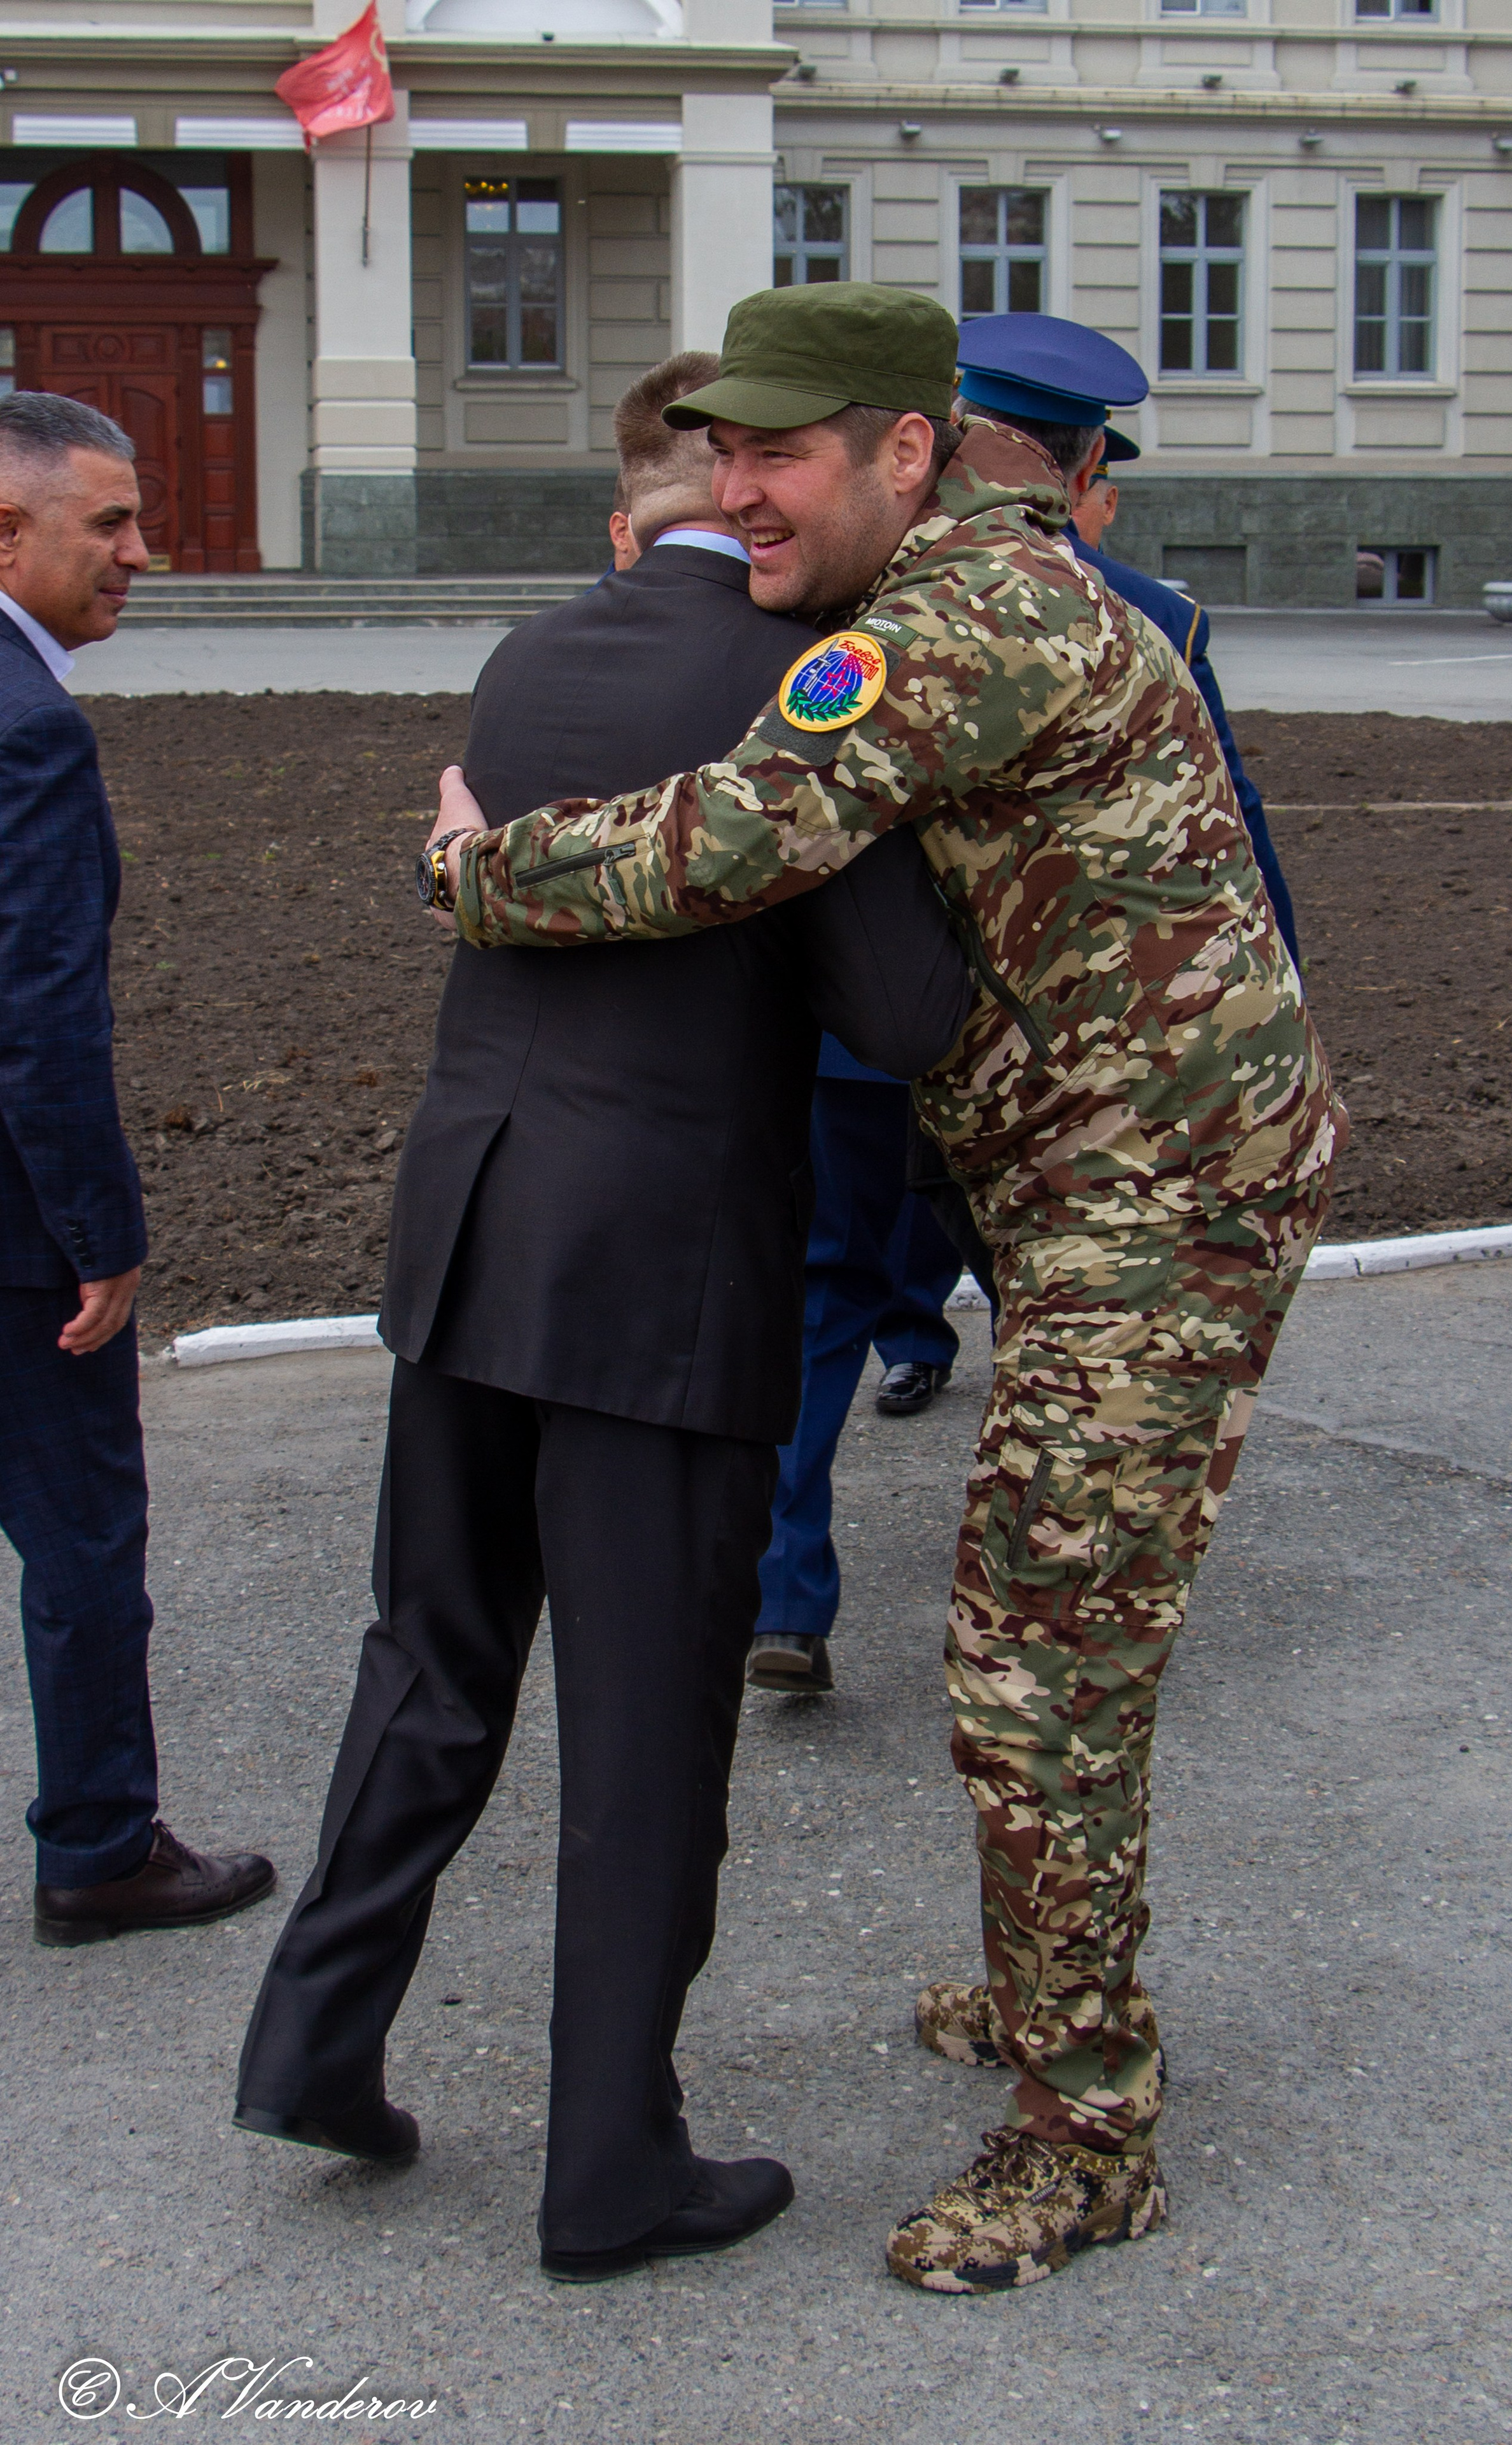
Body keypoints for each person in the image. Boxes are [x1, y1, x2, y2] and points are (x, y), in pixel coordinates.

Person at [428, 279, 1343, 2295]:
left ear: (901, 456)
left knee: (1042, 1657)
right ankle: (1054, 1999)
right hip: (1106, 1165)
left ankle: (1084, 2132)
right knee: (1043, 1637)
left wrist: (478, 869)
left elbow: (738, 838)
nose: (731, 489)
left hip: (1159, 1193)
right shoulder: (961, 585)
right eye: (722, 446)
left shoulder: (954, 623)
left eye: (775, 454)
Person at [233, 352, 971, 2285]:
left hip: (472, 1232)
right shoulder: (804, 688)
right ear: (747, 501)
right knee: (645, 1731)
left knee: (431, 1656)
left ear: (623, 508)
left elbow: (484, 877)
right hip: (663, 1273)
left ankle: (316, 2032)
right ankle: (610, 2166)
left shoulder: (530, 657)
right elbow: (901, 1018)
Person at [0, 391, 275, 1946]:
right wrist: (102, 1234)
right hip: (18, 1237)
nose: (141, 552)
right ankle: (101, 1843)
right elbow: (39, 1021)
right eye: (106, 523)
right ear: (7, 531)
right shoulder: (30, 728)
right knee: (86, 1540)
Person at [956, 313, 1299, 968]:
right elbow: (1227, 812)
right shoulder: (1159, 614)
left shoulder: (868, 576)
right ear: (1086, 470)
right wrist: (1283, 963)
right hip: (1087, 988)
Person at [745, 1050, 963, 1698]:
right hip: (1031, 1021)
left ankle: (785, 1599)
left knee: (828, 1285)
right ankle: (1063, 1585)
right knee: (1050, 1287)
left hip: (863, 1020)